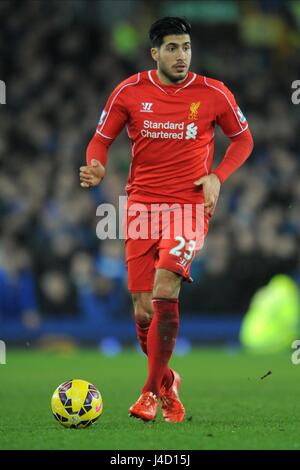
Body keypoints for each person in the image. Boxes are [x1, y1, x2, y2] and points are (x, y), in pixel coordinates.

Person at [80, 17, 253, 422]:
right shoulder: (129, 91)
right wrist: (96, 167)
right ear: (155, 52)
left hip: (189, 206)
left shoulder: (214, 93)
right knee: (143, 312)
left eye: (187, 47)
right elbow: (101, 140)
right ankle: (167, 380)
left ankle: (147, 394)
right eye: (172, 48)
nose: (182, 56)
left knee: (165, 286)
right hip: (141, 208)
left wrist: (217, 175)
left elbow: (243, 139)